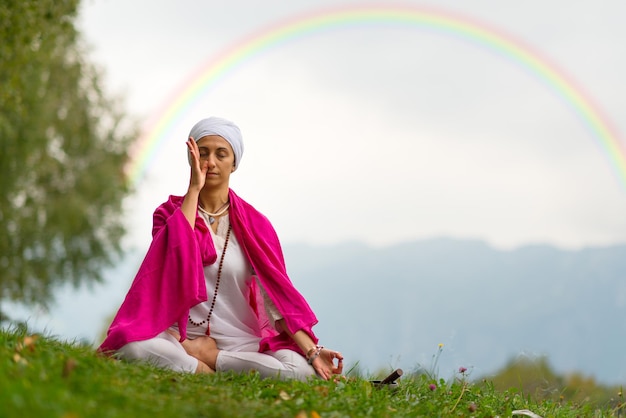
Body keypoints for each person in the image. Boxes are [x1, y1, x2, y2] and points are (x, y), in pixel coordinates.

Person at [98, 116, 343, 381]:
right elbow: (176, 257)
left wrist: (312, 351)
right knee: (131, 347)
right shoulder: (168, 215)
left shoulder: (256, 225)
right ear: (192, 158)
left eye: (221, 154)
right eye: (202, 153)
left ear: (234, 163)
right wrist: (194, 188)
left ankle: (210, 360)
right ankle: (201, 371)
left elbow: (277, 303)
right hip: (178, 339)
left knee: (303, 372)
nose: (210, 162)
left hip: (239, 342)